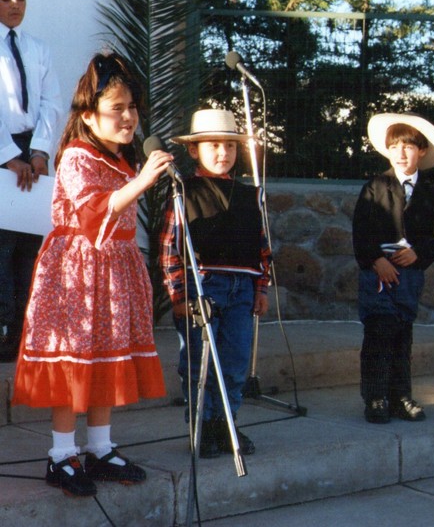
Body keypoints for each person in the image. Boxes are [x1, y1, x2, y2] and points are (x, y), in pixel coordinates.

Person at [12, 52, 172, 497]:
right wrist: (140, 183)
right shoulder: (77, 157)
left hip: (114, 270)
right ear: (89, 115)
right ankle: (62, 453)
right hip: (76, 276)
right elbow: (92, 215)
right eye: (116, 108)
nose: (128, 117)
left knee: (105, 355)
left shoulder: (121, 160)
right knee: (72, 360)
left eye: (132, 107)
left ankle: (100, 446)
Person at [160, 108, 271, 458]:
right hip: (202, 287)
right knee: (199, 363)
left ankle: (226, 424)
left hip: (242, 288)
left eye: (230, 146)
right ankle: (202, 426)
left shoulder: (251, 195)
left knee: (235, 360)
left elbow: (262, 246)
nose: (223, 153)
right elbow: (169, 247)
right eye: (214, 146)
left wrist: (261, 288)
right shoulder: (183, 191)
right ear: (194, 150)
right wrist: (178, 294)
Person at [352, 112, 434, 424]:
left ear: (421, 151)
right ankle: (376, 396)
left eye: (408, 147)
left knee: (402, 333)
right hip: (378, 271)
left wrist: (418, 254)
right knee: (379, 331)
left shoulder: (431, 194)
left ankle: (400, 395)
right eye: (395, 147)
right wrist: (376, 260)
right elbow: (360, 229)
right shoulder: (375, 186)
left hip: (409, 273)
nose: (401, 153)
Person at [0, 0, 62, 361]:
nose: (14, 5)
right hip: (3, 154)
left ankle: (21, 335)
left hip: (32, 153)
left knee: (28, 249)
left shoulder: (36, 47)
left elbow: (52, 103)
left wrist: (39, 152)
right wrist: (8, 157)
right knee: (1, 250)